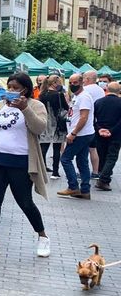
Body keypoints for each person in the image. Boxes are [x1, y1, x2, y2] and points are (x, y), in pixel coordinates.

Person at [0, 73, 50, 257]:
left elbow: (40, 128)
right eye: (10, 87)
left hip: (21, 163)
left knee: (25, 202)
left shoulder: (36, 105)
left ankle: (43, 237)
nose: (11, 91)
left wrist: (25, 109)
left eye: (16, 88)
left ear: (25, 89)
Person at [57, 72, 96, 200]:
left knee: (66, 159)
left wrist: (73, 133)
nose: (73, 85)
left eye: (76, 83)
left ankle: (73, 186)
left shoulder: (84, 97)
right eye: (71, 83)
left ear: (82, 82)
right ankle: (84, 190)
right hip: (83, 133)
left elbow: (84, 117)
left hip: (81, 134)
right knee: (82, 161)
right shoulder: (77, 96)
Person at [38, 75, 69, 179]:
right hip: (57, 124)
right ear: (55, 83)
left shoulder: (42, 94)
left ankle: (41, 169)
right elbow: (66, 108)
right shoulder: (59, 94)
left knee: (44, 147)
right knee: (56, 148)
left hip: (44, 123)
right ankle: (55, 172)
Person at [94, 82, 121, 191]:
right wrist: (112, 130)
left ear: (106, 89)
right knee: (112, 157)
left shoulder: (98, 102)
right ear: (119, 91)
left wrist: (99, 128)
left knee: (102, 156)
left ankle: (102, 176)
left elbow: (93, 118)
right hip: (116, 134)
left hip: (100, 134)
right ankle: (104, 179)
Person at [83, 71, 104, 179]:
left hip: (86, 123)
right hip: (97, 122)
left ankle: (83, 171)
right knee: (93, 148)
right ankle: (96, 171)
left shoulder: (85, 90)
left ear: (87, 78)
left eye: (83, 78)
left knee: (83, 149)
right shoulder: (100, 90)